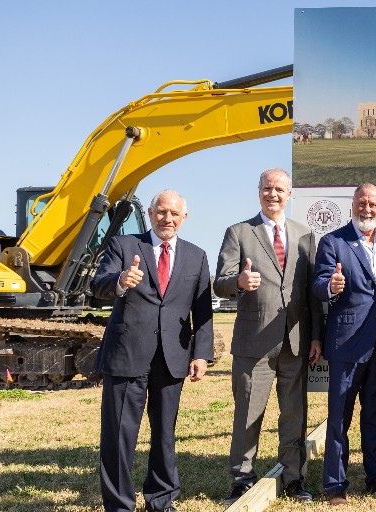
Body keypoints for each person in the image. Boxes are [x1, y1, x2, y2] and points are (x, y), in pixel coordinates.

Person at [91, 189, 214, 512]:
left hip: (172, 357)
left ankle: (161, 499)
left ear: (184, 218)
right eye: (161, 212)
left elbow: (202, 312)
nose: (167, 219)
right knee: (119, 434)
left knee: (164, 433)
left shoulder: (196, 255)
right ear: (149, 212)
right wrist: (120, 280)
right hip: (127, 353)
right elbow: (98, 284)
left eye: (174, 213)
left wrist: (201, 354)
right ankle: (119, 504)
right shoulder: (124, 245)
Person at [214, 168, 323, 505]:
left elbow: (312, 293)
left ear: (289, 194)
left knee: (294, 414)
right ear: (258, 191)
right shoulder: (239, 232)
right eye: (267, 188)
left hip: (296, 341)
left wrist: (316, 336)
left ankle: (293, 479)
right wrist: (239, 284)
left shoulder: (305, 235)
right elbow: (220, 281)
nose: (273, 194)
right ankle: (242, 478)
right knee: (248, 413)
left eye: (279, 189)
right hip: (254, 342)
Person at [312, 183, 376, 505]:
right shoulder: (333, 241)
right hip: (347, 344)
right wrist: (331, 286)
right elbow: (319, 284)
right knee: (339, 419)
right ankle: (335, 486)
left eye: (373, 204)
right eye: (362, 203)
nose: (367, 208)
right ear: (352, 205)